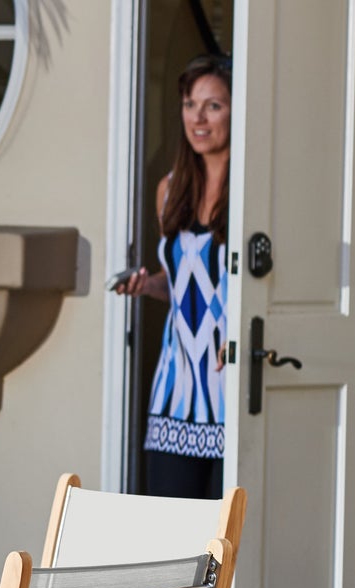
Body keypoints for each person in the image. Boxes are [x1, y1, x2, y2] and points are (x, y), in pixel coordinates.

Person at [116, 53, 232, 500]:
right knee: (176, 547)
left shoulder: (251, 192)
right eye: (189, 104)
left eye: (213, 106)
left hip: (229, 393)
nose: (197, 118)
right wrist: (148, 285)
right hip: (174, 395)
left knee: (227, 552)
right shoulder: (170, 190)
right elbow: (184, 283)